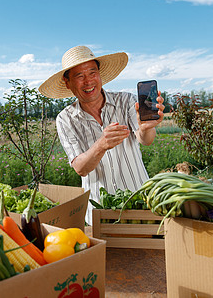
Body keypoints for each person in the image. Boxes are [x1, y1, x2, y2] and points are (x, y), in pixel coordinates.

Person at [39, 45, 165, 224]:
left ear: (100, 75)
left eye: (92, 73)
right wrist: (101, 144)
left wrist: (145, 128)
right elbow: (80, 168)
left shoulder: (126, 101)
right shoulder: (65, 119)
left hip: (141, 203)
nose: (88, 81)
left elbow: (145, 140)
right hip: (99, 212)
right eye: (79, 76)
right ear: (68, 83)